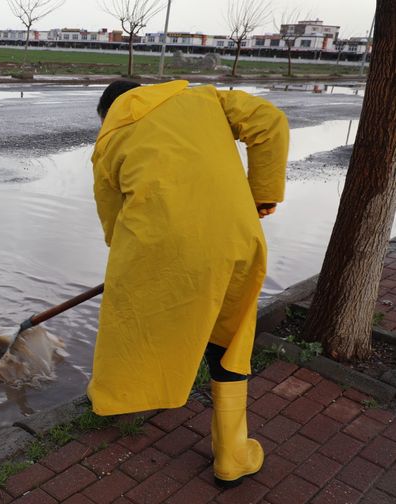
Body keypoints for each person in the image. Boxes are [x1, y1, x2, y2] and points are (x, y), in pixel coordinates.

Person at [88, 80, 288, 488]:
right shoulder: (203, 98)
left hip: (163, 251)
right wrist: (262, 195)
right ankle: (232, 456)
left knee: (131, 322)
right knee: (231, 340)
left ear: (108, 113)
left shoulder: (107, 143)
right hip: (236, 238)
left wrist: (128, 267)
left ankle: (114, 398)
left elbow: (113, 226)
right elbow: (271, 122)